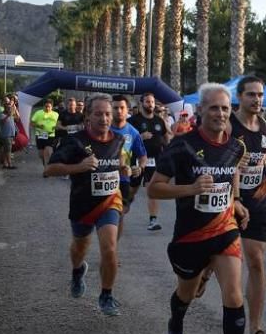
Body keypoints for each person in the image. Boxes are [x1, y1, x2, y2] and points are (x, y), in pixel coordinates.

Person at [148, 83, 253, 334]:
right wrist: (191, 189)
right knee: (186, 294)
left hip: (224, 230)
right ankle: (176, 327)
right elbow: (154, 188)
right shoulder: (181, 146)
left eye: (224, 108)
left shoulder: (237, 146)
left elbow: (231, 173)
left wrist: (235, 200)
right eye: (213, 108)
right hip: (190, 236)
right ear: (201, 111)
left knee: (234, 295)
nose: (220, 113)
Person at [44, 94, 130, 315]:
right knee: (80, 247)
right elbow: (49, 170)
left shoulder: (119, 140)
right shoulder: (76, 141)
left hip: (110, 202)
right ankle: (77, 270)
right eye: (98, 114)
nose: (104, 118)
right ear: (88, 117)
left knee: (110, 248)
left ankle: (107, 295)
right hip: (82, 203)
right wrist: (79, 167)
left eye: (107, 114)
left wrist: (125, 169)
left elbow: (120, 161)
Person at [231, 76, 266, 334]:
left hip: (257, 201)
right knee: (210, 262)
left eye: (260, 95)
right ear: (239, 97)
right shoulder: (228, 125)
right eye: (251, 94)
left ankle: (256, 329)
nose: (257, 99)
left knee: (255, 262)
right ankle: (201, 276)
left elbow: (264, 156)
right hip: (227, 202)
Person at [128, 92, 172, 231]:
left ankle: (153, 220)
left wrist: (169, 149)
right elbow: (125, 141)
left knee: (151, 189)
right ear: (141, 103)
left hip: (154, 160)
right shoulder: (133, 121)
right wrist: (140, 137)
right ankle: (122, 208)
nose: (150, 104)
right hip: (138, 159)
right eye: (147, 101)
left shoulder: (159, 121)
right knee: (132, 189)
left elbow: (166, 139)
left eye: (152, 102)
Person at [109, 95, 147, 240]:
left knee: (118, 216)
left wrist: (140, 167)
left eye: (122, 108)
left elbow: (142, 156)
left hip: (123, 180)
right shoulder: (104, 129)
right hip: (102, 178)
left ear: (128, 110)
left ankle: (112, 250)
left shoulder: (133, 132)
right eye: (115, 108)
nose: (119, 111)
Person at [30, 98, 60, 170]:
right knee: (41, 154)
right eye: (46, 106)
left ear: (52, 107)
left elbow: (59, 124)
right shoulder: (38, 113)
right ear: (44, 106)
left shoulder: (56, 114)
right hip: (40, 135)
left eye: (49, 106)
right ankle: (46, 165)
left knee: (49, 152)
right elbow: (31, 123)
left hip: (51, 135)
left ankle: (47, 169)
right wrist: (38, 125)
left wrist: (56, 127)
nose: (47, 108)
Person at [0, 98, 18, 169]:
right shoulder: (2, 114)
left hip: (11, 135)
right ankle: (10, 164)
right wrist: (8, 115)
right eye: (8, 108)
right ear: (5, 108)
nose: (9, 109)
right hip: (6, 135)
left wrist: (14, 109)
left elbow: (18, 118)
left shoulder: (11, 115)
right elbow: (2, 121)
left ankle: (5, 164)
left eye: (10, 108)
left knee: (7, 150)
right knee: (8, 151)